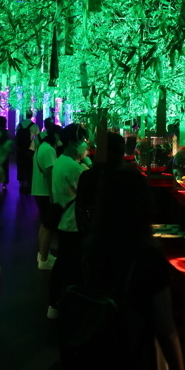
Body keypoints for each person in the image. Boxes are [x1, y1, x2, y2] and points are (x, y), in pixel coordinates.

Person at [66, 167, 185, 370]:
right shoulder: (148, 257)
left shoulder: (90, 248)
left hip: (91, 362)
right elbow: (165, 328)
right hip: (132, 364)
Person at [47, 124, 87, 318]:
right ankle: (66, 304)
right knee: (72, 267)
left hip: (65, 220)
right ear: (72, 143)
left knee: (63, 264)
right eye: (81, 141)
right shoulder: (73, 167)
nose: (84, 145)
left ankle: (55, 302)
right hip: (73, 222)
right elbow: (86, 191)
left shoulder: (61, 161)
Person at [75, 132, 126, 238]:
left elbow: (80, 209)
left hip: (94, 236)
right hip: (121, 237)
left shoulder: (88, 176)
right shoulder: (129, 178)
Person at [32, 124, 61, 270]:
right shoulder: (49, 150)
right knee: (48, 226)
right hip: (45, 192)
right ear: (56, 136)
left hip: (38, 191)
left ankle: (42, 254)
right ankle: (44, 259)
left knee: (44, 224)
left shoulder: (41, 147)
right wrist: (53, 194)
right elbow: (50, 173)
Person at [16, 110, 39, 194]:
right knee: (28, 168)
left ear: (25, 115)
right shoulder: (35, 126)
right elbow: (37, 139)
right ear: (32, 116)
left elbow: (17, 136)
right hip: (30, 150)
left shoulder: (19, 124)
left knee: (20, 167)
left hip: (20, 149)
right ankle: (27, 186)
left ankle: (21, 186)